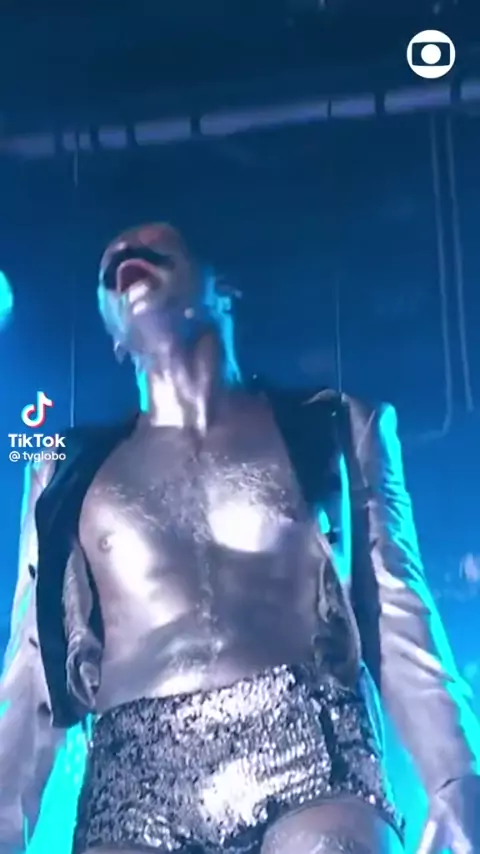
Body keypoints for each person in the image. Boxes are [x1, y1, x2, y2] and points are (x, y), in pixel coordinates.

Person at [0, 223, 479, 854]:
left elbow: (396, 612)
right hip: (131, 780)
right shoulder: (63, 471)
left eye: (151, 250)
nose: (124, 255)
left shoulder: (336, 428)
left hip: (307, 745)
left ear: (220, 288)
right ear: (111, 334)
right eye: (110, 266)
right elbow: (32, 663)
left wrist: (456, 776)